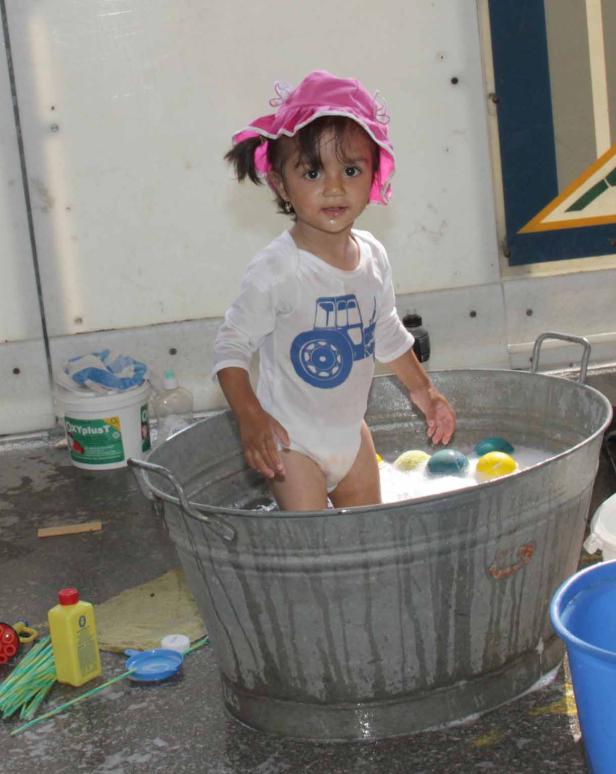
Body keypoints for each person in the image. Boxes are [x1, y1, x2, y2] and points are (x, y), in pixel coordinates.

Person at [214, 70, 455, 511]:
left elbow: (386, 332)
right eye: (311, 172)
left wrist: (426, 392)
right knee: (313, 546)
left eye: (350, 169)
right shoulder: (277, 270)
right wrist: (251, 419)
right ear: (281, 184)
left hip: (351, 438)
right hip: (292, 443)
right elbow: (230, 348)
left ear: (374, 177)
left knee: (365, 538)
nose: (334, 187)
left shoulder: (373, 258)